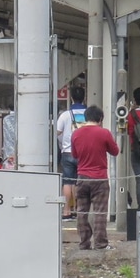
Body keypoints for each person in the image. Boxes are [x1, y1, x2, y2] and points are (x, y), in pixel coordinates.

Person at [70, 104, 119, 251]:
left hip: (82, 177)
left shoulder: (76, 134)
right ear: (100, 119)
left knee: (82, 212)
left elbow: (74, 155)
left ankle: (84, 243)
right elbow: (115, 151)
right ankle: (100, 244)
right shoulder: (104, 133)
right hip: (99, 178)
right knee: (99, 212)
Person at [55, 86, 87, 220]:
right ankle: (79, 210)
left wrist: (62, 143)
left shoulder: (65, 115)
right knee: (79, 182)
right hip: (83, 153)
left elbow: (56, 132)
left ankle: (66, 211)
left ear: (72, 98)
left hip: (67, 152)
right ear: (84, 97)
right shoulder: (88, 114)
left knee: (68, 182)